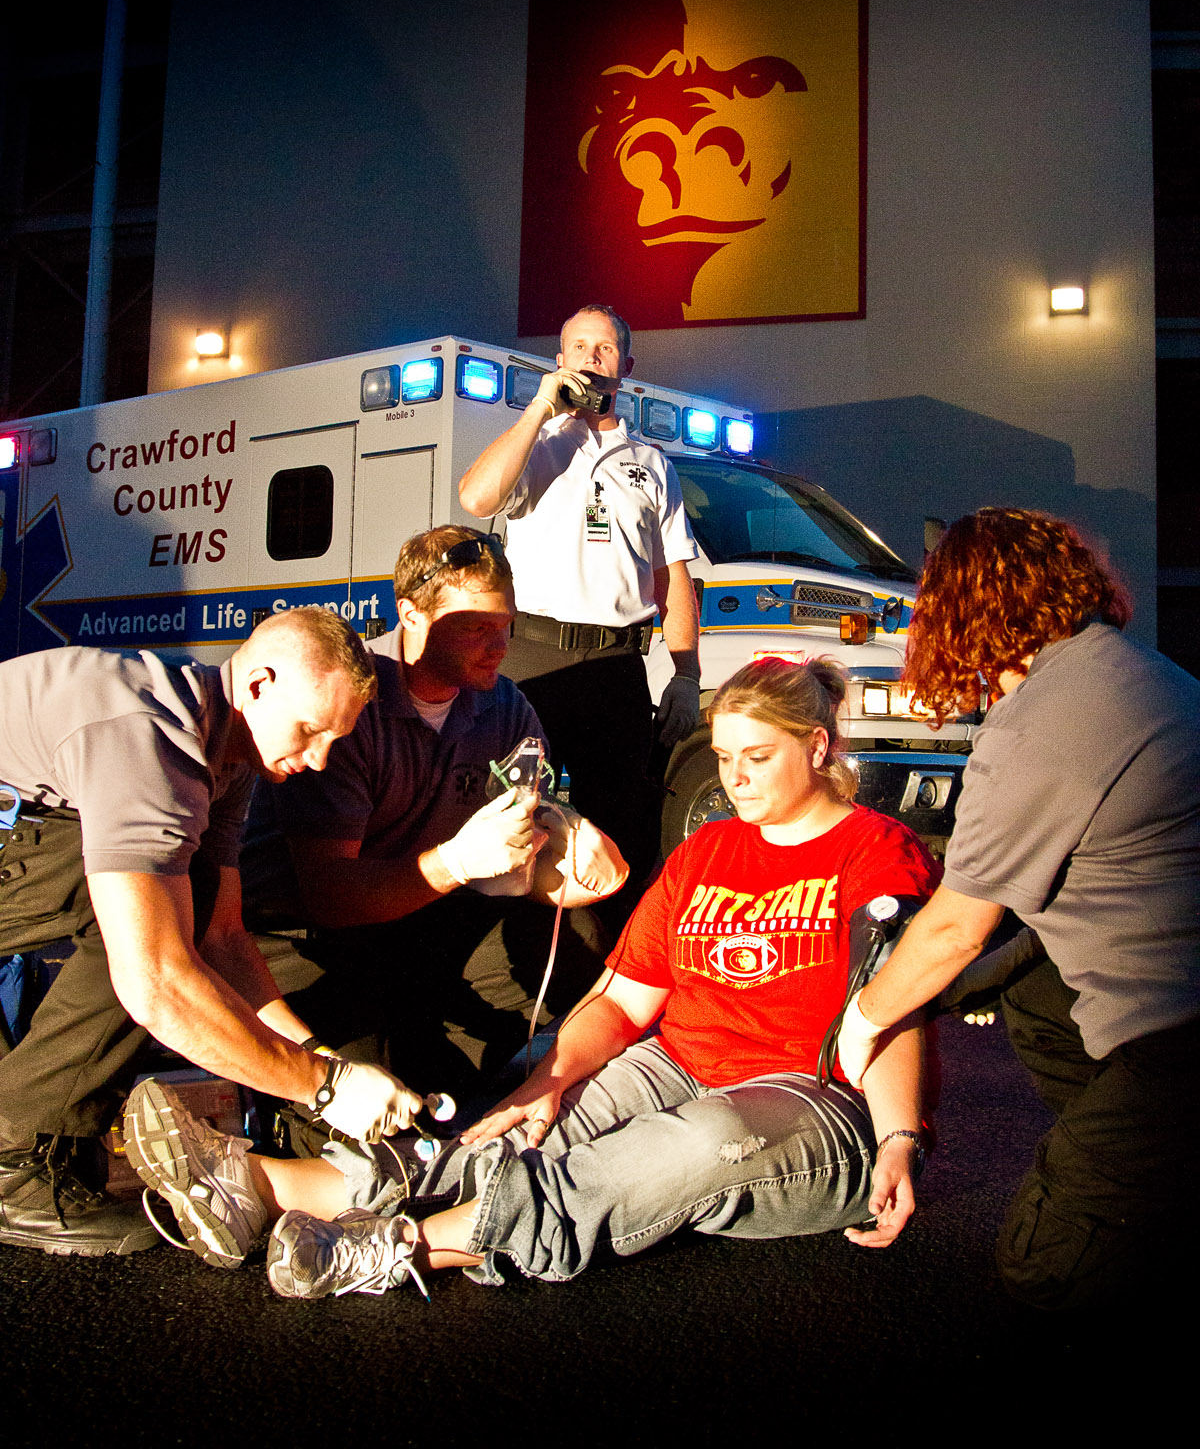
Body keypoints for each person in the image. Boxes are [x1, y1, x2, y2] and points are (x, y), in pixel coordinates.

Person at [122, 655, 938, 1298]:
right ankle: (262, 1187)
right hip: (681, 1062)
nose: (735, 779)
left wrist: (900, 1138)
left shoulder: (878, 852)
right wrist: (547, 1082)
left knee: (683, 1145)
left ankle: (404, 1248)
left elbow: (895, 1008)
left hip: (810, 1095)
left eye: (757, 758)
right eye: (724, 758)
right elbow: (624, 1001)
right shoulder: (708, 850)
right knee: (516, 1124)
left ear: (818, 748)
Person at [836, 508, 1200, 1310]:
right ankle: (1140, 1166)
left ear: (963, 610)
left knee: (1043, 1264)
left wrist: (861, 1022)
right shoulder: (1139, 671)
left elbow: (955, 929)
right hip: (1168, 994)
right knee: (1029, 986)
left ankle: (1150, 1186)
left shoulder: (1042, 721)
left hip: (1178, 1040)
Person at [0, 609, 422, 1257]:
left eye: (334, 741)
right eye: (311, 730)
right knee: (153, 909)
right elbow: (156, 984)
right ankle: (18, 1167)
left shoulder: (225, 756)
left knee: (180, 891)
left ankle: (33, 1139)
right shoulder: (151, 739)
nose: (319, 759)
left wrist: (325, 1062)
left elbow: (223, 939)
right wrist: (322, 1088)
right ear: (258, 684)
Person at [241, 526, 628, 1101]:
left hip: (428, 911)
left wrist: (569, 844)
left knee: (576, 941)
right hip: (311, 932)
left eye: (506, 625)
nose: (500, 645)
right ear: (412, 616)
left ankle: (501, 1090)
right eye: (476, 628)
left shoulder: (503, 706)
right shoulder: (347, 703)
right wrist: (458, 862)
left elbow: (536, 824)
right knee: (372, 1088)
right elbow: (331, 896)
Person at [458, 304, 700, 892]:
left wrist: (687, 675)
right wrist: (541, 409)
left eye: (606, 348)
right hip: (532, 665)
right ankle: (500, 945)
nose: (592, 358)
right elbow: (476, 499)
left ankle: (609, 949)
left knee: (618, 837)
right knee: (511, 824)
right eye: (580, 347)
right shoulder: (536, 444)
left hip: (618, 669)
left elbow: (672, 577)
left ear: (626, 366)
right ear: (560, 359)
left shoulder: (652, 464)